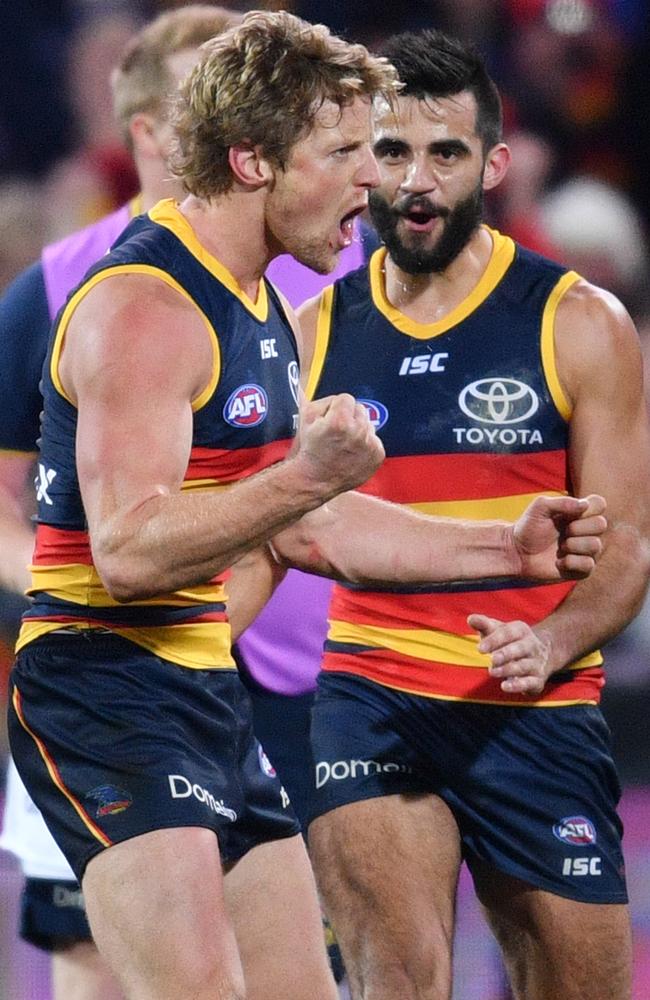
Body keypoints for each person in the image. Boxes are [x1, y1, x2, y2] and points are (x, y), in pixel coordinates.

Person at [5, 12, 606, 1000]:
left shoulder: (258, 304)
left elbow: (313, 526)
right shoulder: (142, 308)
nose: (369, 182)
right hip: (101, 697)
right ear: (251, 161)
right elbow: (127, 552)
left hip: (202, 693)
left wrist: (509, 544)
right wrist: (301, 474)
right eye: (339, 152)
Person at [294, 29, 650, 1000]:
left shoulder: (577, 322)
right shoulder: (311, 333)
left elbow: (624, 548)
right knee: (397, 977)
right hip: (372, 692)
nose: (416, 179)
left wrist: (554, 639)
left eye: (443, 152)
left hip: (534, 705)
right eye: (391, 151)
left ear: (490, 164)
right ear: (357, 163)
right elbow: (286, 525)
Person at [0, 7, 243, 999]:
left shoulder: (310, 274)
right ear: (146, 134)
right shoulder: (53, 289)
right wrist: (72, 583)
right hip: (108, 684)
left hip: (293, 685)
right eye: (213, 105)